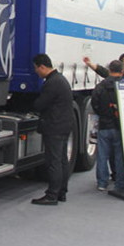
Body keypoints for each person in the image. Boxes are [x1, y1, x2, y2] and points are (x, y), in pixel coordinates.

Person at [31, 53, 74, 205]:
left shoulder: (51, 83)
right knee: (62, 160)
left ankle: (52, 195)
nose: (36, 71)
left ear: (42, 67)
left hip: (54, 126)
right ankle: (61, 192)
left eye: (36, 68)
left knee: (53, 161)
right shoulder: (60, 79)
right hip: (64, 125)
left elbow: (40, 104)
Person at [91, 60, 124, 196]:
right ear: (122, 70)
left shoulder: (100, 86)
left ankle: (102, 182)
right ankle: (120, 183)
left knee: (102, 155)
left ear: (109, 70)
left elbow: (95, 104)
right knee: (119, 156)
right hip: (119, 126)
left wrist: (103, 114)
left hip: (104, 125)